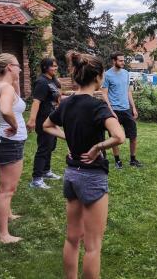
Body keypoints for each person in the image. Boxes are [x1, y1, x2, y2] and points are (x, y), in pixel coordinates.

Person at [43, 51, 125, 278]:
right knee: (92, 246)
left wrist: (67, 138)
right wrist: (98, 147)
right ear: (99, 77)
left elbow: (46, 125)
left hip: (71, 175)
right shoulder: (98, 107)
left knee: (72, 238)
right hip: (91, 178)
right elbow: (119, 136)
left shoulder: (67, 103)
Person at [0, 53, 27, 243]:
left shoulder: (1, 86)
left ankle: (7, 214)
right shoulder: (5, 88)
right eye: (17, 66)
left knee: (4, 186)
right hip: (10, 142)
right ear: (9, 67)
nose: (20, 69)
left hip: (3, 140)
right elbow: (6, 110)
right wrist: (15, 126)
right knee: (7, 189)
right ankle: (3, 234)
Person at [102, 52, 141, 169]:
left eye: (123, 60)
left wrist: (133, 107)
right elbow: (104, 94)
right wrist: (111, 111)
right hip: (114, 110)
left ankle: (133, 160)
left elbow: (128, 91)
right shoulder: (107, 75)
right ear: (114, 61)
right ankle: (117, 161)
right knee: (115, 138)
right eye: (120, 61)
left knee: (133, 136)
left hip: (126, 109)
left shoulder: (126, 73)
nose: (123, 63)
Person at [27, 57, 61, 189]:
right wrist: (32, 120)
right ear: (45, 67)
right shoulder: (41, 82)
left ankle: (46, 171)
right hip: (43, 120)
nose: (55, 68)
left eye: (56, 66)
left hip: (51, 119)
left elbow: (56, 97)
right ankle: (36, 179)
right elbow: (36, 102)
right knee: (44, 147)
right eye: (53, 66)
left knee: (50, 146)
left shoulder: (52, 80)